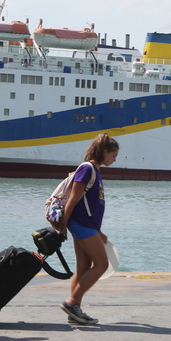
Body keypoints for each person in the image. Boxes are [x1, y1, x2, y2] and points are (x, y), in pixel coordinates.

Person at [58, 133, 120, 325]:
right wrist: (63, 226)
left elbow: (90, 205)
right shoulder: (87, 168)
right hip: (81, 224)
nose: (115, 159)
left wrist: (98, 231)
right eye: (113, 155)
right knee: (101, 264)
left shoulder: (95, 171)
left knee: (83, 267)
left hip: (87, 225)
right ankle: (72, 302)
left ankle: (74, 312)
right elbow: (73, 199)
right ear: (104, 152)